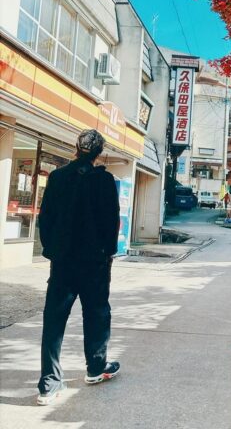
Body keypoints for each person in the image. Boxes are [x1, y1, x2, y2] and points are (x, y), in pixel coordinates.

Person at [37, 129, 121, 406]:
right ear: (99, 152)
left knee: (54, 320)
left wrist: (52, 250)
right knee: (96, 313)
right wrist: (108, 252)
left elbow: (45, 218)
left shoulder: (57, 177)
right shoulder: (105, 181)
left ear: (76, 148)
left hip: (62, 261)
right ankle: (96, 368)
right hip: (94, 261)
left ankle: (49, 383)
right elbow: (112, 222)